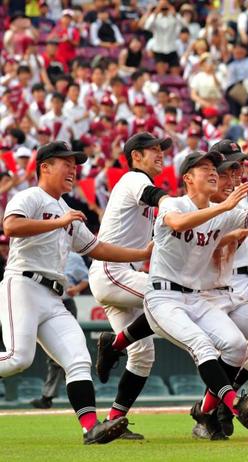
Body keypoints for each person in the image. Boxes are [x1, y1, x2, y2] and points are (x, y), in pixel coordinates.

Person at [142, 149, 248, 440]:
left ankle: (218, 407)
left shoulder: (228, 212)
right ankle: (233, 406)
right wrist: (225, 211)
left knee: (240, 345)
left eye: (214, 168)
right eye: (204, 168)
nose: (214, 172)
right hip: (169, 295)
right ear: (188, 178)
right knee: (203, 345)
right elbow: (180, 223)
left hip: (205, 295)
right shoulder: (174, 203)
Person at [0, 141, 153, 444]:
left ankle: (91, 428)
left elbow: (97, 249)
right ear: (44, 167)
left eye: (75, 164)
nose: (73, 169)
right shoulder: (30, 196)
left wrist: (141, 252)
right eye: (66, 163)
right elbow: (11, 227)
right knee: (18, 359)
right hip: (23, 285)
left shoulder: (66, 210)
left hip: (54, 296)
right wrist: (59, 222)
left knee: (79, 360)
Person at [88, 132, 173, 440]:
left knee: (143, 355)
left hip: (122, 273)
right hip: (113, 270)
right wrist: (171, 202)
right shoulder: (132, 179)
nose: (160, 153)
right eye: (152, 150)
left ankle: (114, 421)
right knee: (167, 295)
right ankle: (114, 345)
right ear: (136, 156)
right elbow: (153, 195)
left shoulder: (138, 183)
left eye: (160, 148)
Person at [29, 252, 89, 409]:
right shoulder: (39, 251)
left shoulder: (74, 257)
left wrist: (76, 288)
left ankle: (48, 396)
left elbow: (85, 279)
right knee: (21, 353)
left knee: (67, 351)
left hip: (64, 303)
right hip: (38, 302)